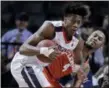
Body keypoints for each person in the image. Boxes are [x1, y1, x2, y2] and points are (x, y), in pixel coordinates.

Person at [11, 3, 89, 88]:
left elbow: (77, 63)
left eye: (78, 22)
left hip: (40, 68)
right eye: (73, 21)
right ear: (65, 19)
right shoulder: (51, 27)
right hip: (24, 64)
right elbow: (22, 49)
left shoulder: (78, 41)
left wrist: (79, 72)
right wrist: (44, 51)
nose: (76, 25)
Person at [41, 29, 107, 87]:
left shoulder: (86, 67)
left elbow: (73, 85)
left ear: (101, 46)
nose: (95, 38)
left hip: (53, 84)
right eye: (94, 35)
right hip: (42, 72)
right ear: (89, 36)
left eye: (99, 39)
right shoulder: (74, 41)